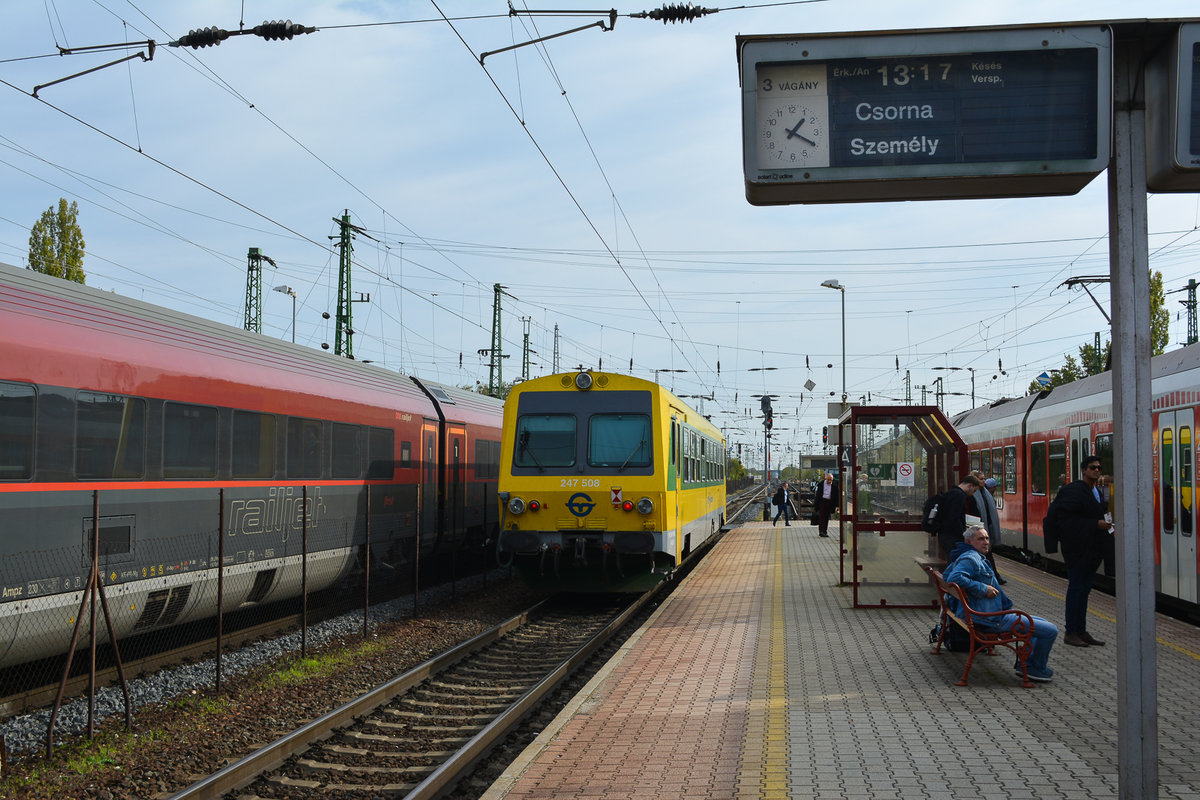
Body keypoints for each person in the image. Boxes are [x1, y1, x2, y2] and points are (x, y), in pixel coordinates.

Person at [943, 525, 1058, 682]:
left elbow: (947, 575)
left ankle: (1029, 664)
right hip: (988, 619)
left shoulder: (966, 555)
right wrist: (983, 588)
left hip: (979, 614)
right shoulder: (971, 559)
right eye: (981, 539)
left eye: (987, 538)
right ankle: (1035, 668)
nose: (986, 542)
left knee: (1041, 623)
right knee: (1050, 630)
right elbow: (953, 578)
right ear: (969, 542)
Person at [1048, 454, 1112, 647]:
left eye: (1099, 468)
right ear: (1083, 470)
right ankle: (1070, 632)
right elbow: (1066, 521)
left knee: (1085, 590)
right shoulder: (1073, 491)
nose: (1097, 470)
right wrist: (1096, 524)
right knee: (1076, 590)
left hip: (1092, 550)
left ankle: (1082, 630)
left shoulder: (1096, 491)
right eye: (1093, 467)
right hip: (1076, 550)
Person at [936, 474, 983, 563]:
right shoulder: (959, 496)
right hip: (952, 538)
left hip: (945, 535)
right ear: (970, 485)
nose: (972, 494)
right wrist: (964, 534)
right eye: (974, 491)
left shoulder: (951, 492)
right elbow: (954, 518)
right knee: (956, 563)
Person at [972, 472, 1005, 584]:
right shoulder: (974, 493)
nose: (983, 481)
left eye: (984, 479)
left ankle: (994, 576)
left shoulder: (985, 493)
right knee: (986, 554)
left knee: (987, 553)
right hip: (978, 528)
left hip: (987, 527)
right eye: (981, 479)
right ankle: (994, 576)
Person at [815, 472, 840, 537]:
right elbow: (818, 494)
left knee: (826, 517)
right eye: (828, 479)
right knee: (821, 516)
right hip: (822, 501)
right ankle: (821, 531)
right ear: (826, 478)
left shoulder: (834, 485)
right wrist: (816, 504)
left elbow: (837, 496)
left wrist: (837, 505)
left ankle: (825, 531)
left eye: (831, 480)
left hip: (830, 502)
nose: (829, 481)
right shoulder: (821, 484)